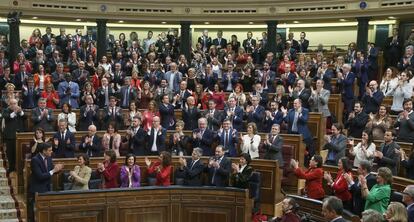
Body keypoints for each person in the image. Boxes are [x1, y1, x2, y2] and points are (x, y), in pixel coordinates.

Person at [28, 143, 64, 222]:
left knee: (46, 210)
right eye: (49, 150)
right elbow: (40, 176)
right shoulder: (35, 160)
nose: (51, 152)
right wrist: (53, 170)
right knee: (36, 211)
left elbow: (51, 171)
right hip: (37, 189)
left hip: (47, 187)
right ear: (44, 151)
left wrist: (58, 169)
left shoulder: (49, 158)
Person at [2, 98, 25, 172]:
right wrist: (14, 112)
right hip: (10, 136)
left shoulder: (19, 110)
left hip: (20, 135)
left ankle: (19, 168)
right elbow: (7, 117)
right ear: (9, 104)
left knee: (18, 152)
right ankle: (11, 167)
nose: (13, 105)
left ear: (17, 104)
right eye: (12, 104)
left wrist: (21, 111)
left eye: (15, 103)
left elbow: (25, 117)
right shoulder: (6, 110)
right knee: (10, 153)